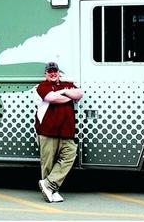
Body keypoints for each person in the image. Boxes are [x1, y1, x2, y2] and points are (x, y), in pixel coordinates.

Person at [34, 62, 83, 202]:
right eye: (50, 72)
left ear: (59, 72)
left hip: (66, 132)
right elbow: (51, 98)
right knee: (47, 163)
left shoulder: (67, 84)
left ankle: (48, 185)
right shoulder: (42, 86)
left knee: (70, 155)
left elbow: (79, 93)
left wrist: (64, 92)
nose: (53, 74)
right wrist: (68, 95)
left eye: (55, 71)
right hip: (47, 131)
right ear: (46, 74)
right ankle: (52, 191)